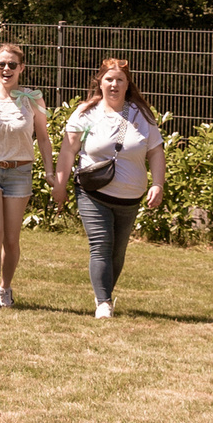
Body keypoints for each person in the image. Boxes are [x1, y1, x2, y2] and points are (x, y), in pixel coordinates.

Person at [53, 57, 166, 318]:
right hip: (93, 192)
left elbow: (156, 152)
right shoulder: (86, 113)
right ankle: (103, 302)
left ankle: (104, 293)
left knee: (117, 251)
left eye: (120, 80)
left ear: (128, 84)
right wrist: (60, 184)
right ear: (100, 82)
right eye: (109, 79)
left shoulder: (142, 115)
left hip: (130, 196)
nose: (114, 84)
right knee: (101, 244)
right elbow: (68, 151)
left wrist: (158, 184)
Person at [0, 40, 53, 309]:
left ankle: (5, 287)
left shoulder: (33, 98)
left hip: (20, 171)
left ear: (21, 68)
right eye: (2, 64)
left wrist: (50, 171)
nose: (6, 69)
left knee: (11, 239)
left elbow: (43, 137)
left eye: (12, 65)